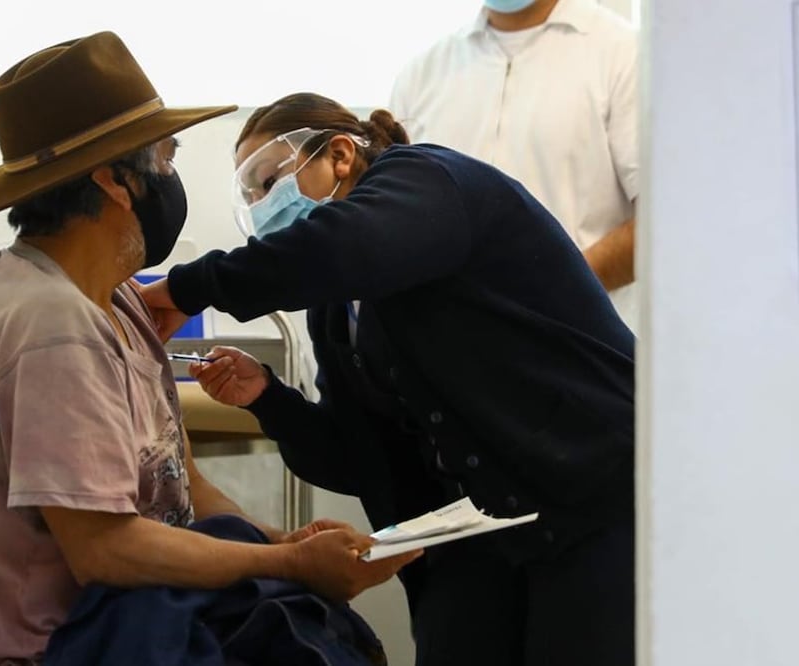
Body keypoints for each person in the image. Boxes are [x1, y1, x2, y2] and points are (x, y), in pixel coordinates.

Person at [0, 34, 416, 666]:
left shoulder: (118, 301)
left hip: (132, 623)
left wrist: (281, 542)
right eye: (165, 157)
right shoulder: (51, 328)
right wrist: (289, 563)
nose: (173, 179)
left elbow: (184, 488)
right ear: (115, 182)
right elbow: (106, 549)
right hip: (60, 648)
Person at [140, 92, 635, 666]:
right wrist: (267, 397)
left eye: (268, 179)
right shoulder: (337, 307)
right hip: (478, 530)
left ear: (341, 155)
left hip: (591, 491)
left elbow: (340, 248)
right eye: (249, 193)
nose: (261, 202)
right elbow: (359, 455)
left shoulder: (428, 181)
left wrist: (185, 288)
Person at [388, 0, 639, 331]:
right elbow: (393, 220)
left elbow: (663, 223)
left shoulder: (623, 56)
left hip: (579, 352)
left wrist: (554, 290)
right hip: (449, 356)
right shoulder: (424, 74)